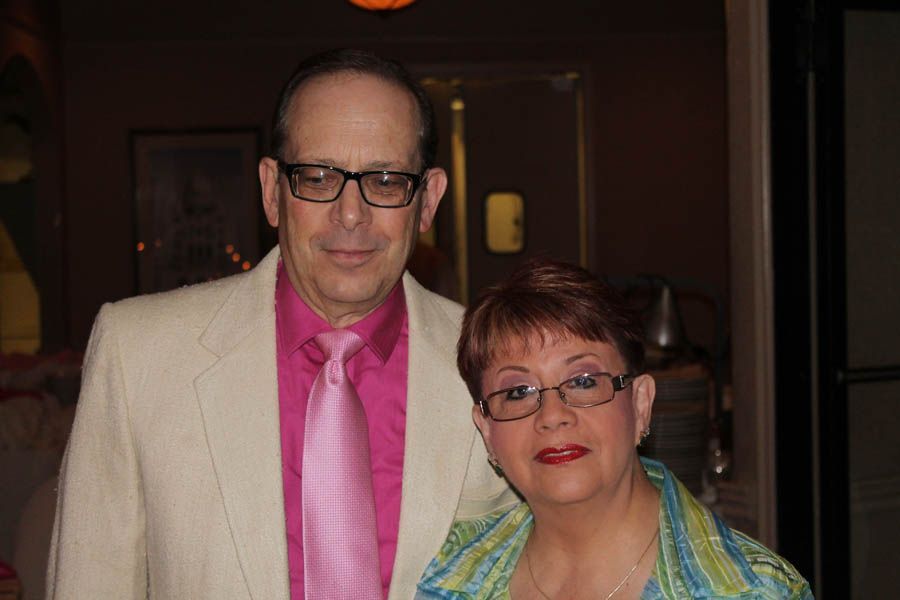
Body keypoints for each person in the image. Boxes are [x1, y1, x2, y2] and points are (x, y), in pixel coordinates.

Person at [47, 49, 514, 599]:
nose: (350, 214)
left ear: (427, 199)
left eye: (385, 180)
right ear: (272, 191)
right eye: (317, 178)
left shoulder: (499, 362)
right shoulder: (138, 355)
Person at [417, 259, 813, 599]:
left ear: (641, 404)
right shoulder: (446, 577)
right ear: (487, 431)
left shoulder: (752, 590)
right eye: (518, 391)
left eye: (584, 381)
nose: (552, 415)